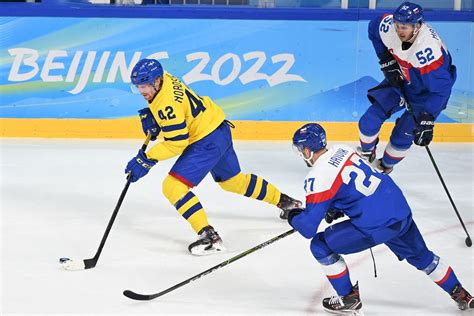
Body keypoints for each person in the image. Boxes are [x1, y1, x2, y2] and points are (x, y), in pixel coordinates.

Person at [287, 122, 473, 313]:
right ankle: (463, 295)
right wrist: (336, 206)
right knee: (422, 257)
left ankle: (349, 299)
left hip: (377, 224)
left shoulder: (317, 176)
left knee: (320, 245)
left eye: (301, 149)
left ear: (307, 150)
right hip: (399, 211)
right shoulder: (341, 149)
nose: (301, 154)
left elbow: (308, 228)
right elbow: (357, 186)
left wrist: (293, 215)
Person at [124, 58, 301, 256]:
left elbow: (177, 143)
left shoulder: (167, 105)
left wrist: (146, 159)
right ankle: (286, 202)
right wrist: (156, 117)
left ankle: (210, 238)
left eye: (145, 86)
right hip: (219, 129)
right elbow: (179, 107)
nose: (142, 91)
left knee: (173, 187)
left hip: (206, 141)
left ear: (157, 81)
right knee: (233, 182)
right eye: (138, 86)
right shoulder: (166, 78)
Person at [358, 2, 457, 174]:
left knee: (400, 138)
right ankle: (366, 155)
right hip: (402, 80)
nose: (399, 31)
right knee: (369, 121)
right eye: (397, 25)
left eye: (404, 27)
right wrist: (386, 60)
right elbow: (374, 27)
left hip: (427, 93)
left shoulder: (428, 52)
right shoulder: (390, 27)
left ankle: (385, 167)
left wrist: (427, 118)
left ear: (418, 26)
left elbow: (441, 90)